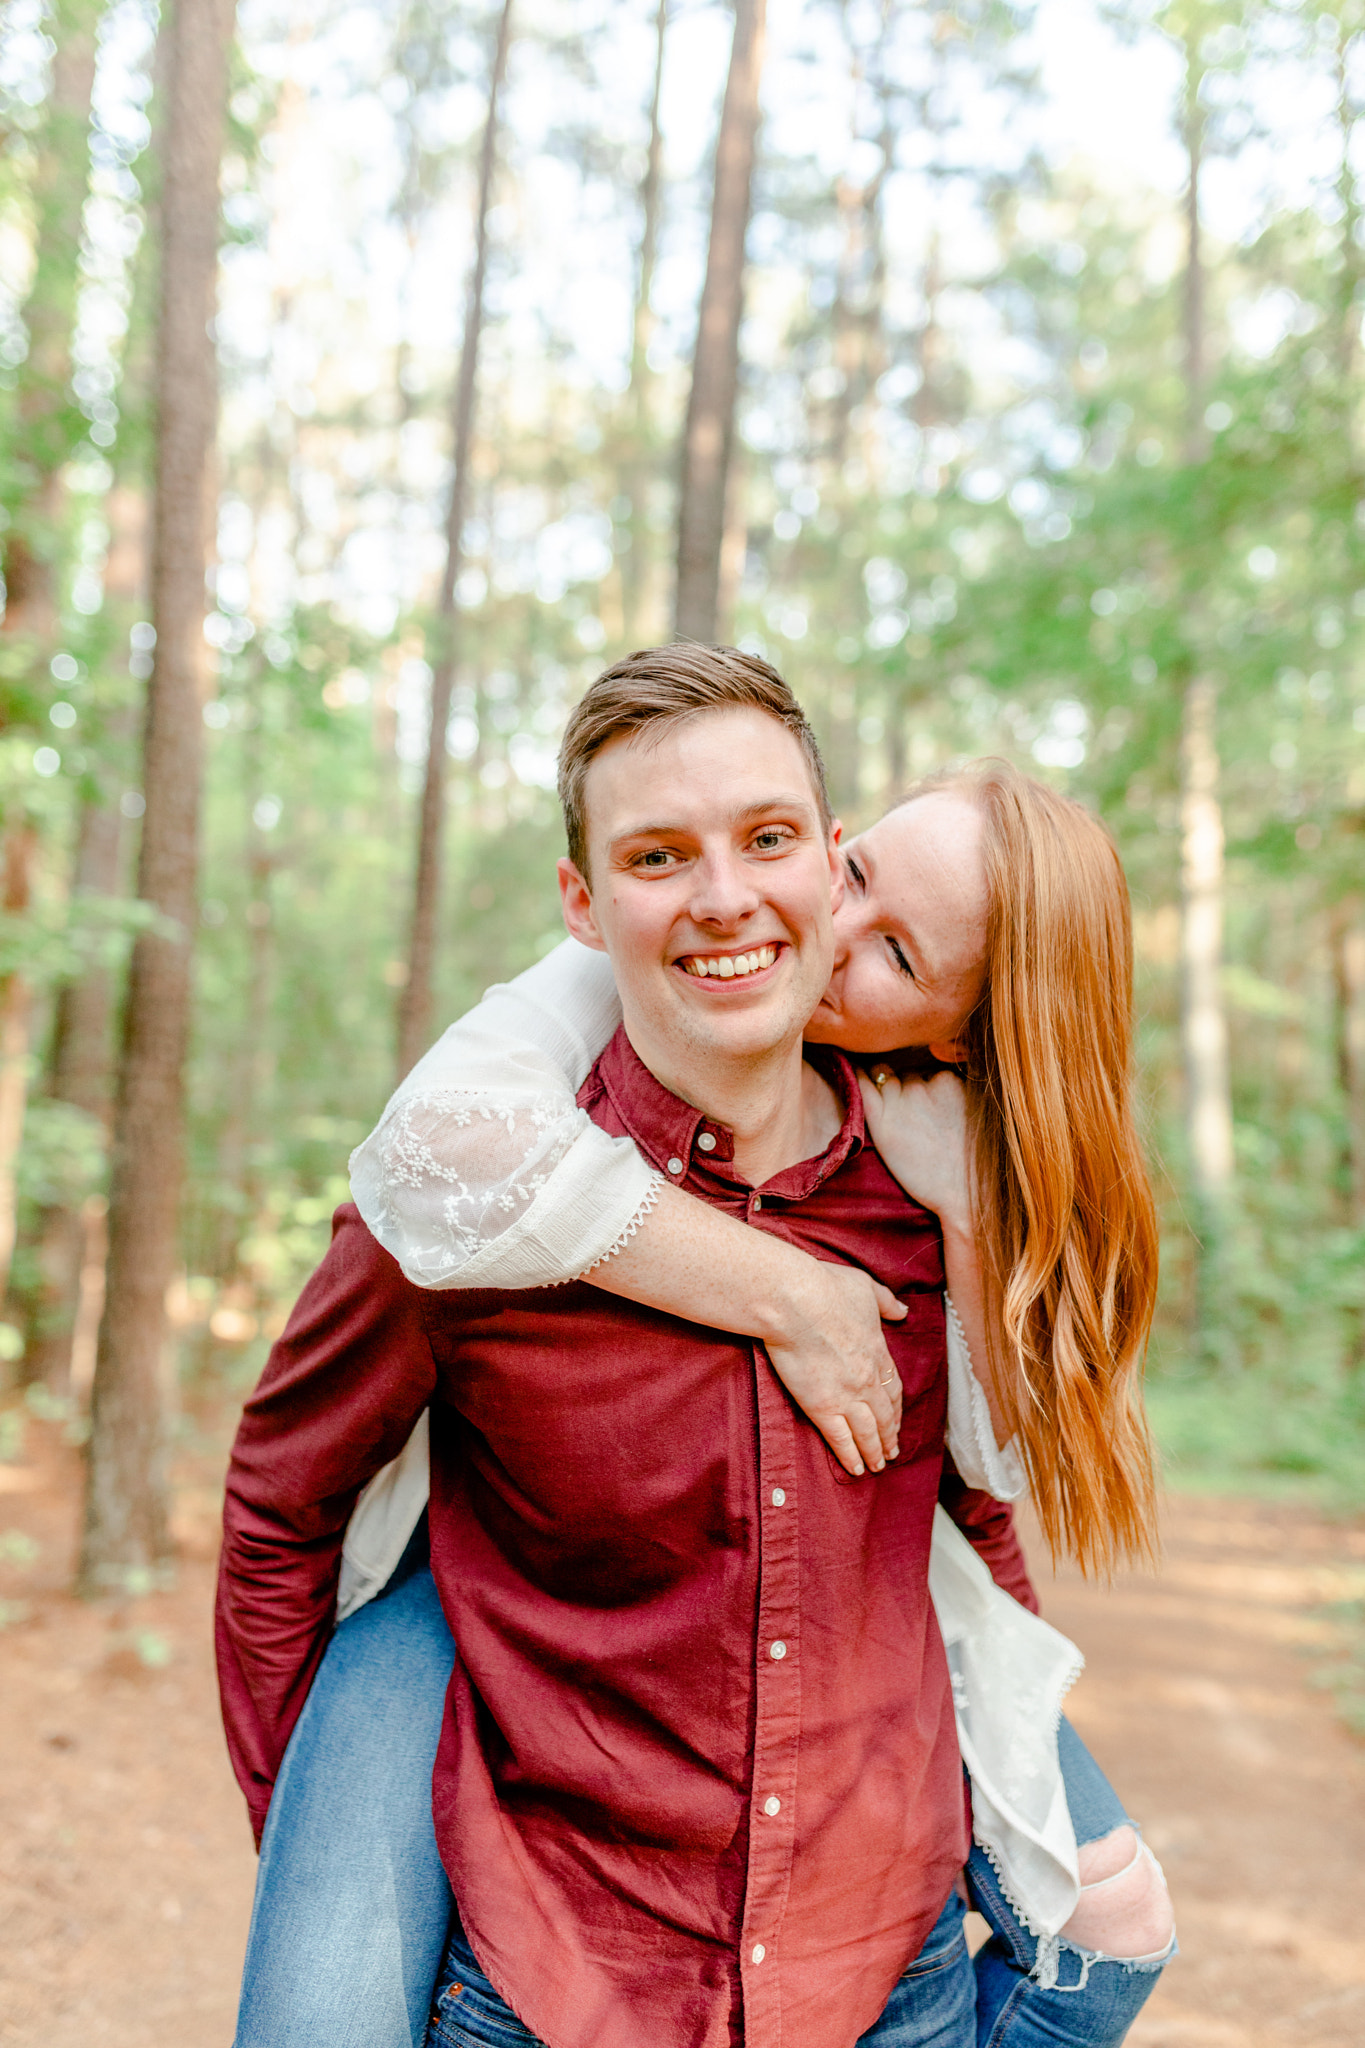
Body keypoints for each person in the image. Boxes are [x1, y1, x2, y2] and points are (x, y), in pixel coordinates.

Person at [222, 649, 1175, 2048]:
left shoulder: (934, 1195)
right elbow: (278, 1512)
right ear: (582, 903)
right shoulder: (474, 1188)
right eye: (662, 858)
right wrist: (335, 1863)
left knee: (1118, 1937)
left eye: (778, 850)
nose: (757, 909)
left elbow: (965, 1539)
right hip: (546, 1984)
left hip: (884, 1982)